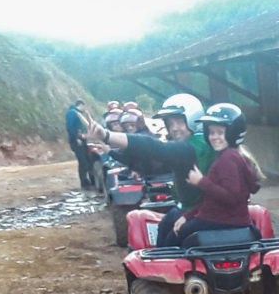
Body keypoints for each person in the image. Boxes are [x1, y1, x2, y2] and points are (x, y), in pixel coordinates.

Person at [84, 93, 216, 247]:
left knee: (161, 248)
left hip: (197, 212)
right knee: (166, 223)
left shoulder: (191, 146)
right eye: (170, 123)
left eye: (179, 121)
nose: (174, 128)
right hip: (196, 208)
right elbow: (154, 159)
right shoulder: (202, 142)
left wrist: (107, 135)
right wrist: (115, 153)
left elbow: (153, 147)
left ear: (192, 118)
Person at [170, 102, 263, 245]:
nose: (214, 137)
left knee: (171, 238)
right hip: (227, 219)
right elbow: (211, 199)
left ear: (232, 133)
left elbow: (231, 197)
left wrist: (201, 181)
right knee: (180, 226)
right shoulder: (232, 156)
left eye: (220, 132)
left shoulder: (228, 159)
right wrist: (188, 216)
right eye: (211, 132)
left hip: (219, 220)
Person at [65, 99, 91, 189]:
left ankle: (86, 180)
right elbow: (70, 127)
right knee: (83, 161)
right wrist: (76, 138)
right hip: (77, 140)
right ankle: (84, 182)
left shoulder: (77, 113)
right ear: (81, 105)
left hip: (81, 139)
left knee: (86, 160)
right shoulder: (72, 113)